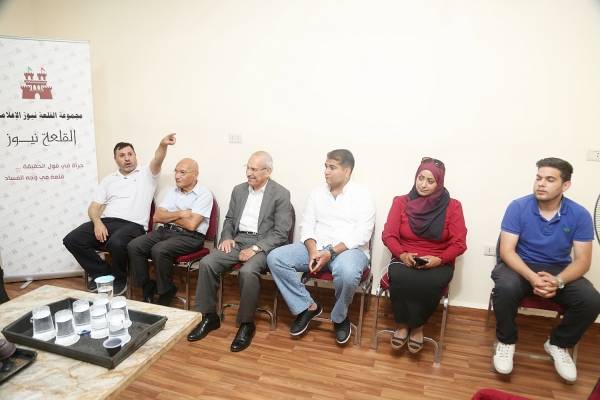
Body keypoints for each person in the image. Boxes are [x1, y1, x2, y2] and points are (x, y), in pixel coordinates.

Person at [492, 157, 600, 383]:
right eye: (539, 178)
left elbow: (583, 261)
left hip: (557, 270)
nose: (541, 184)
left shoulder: (579, 214)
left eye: (550, 179)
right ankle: (506, 341)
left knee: (591, 300)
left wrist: (558, 281)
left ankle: (558, 344)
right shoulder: (518, 207)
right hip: (520, 265)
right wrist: (532, 278)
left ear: (565, 185)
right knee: (505, 287)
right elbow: (507, 251)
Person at [187, 151, 292, 352]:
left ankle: (246, 324)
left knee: (248, 271)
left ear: (268, 171)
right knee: (207, 263)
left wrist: (255, 248)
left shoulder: (281, 193)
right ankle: (209, 316)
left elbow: (281, 232)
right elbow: (229, 220)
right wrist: (227, 237)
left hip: (263, 244)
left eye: (254, 169)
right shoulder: (239, 190)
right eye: (248, 168)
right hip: (238, 239)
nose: (249, 173)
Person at [267, 149, 375, 345]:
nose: (326, 171)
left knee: (348, 272)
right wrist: (313, 251)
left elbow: (362, 234)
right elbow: (307, 226)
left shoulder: (363, 195)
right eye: (325, 166)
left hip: (348, 251)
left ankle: (340, 317)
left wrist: (330, 252)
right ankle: (307, 306)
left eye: (332, 167)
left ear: (347, 171)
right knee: (275, 258)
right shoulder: (317, 193)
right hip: (316, 247)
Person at [63, 134, 176, 296]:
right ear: (116, 159)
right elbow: (94, 207)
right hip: (108, 222)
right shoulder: (109, 180)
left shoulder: (147, 174)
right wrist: (97, 222)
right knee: (72, 239)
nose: (127, 158)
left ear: (135, 156)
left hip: (134, 225)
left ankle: (119, 279)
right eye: (122, 155)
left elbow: (158, 159)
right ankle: (103, 274)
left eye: (130, 154)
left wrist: (162, 145)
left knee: (116, 242)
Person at [381, 157, 467, 353]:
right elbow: (389, 235)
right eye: (420, 178)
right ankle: (402, 325)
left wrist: (439, 259)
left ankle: (417, 327)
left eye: (430, 181)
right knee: (401, 276)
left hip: (439, 261)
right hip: (404, 257)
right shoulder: (400, 202)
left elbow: (459, 243)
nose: (423, 184)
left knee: (428, 281)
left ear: (439, 183)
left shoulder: (453, 206)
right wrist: (402, 255)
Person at [127, 158, 213, 306]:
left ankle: (166, 290)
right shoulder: (172, 191)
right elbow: (157, 217)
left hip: (190, 237)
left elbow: (192, 225)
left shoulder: (204, 194)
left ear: (195, 174)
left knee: (159, 249)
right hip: (165, 231)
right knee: (134, 245)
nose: (177, 176)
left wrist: (169, 217)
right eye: (176, 171)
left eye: (182, 172)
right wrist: (181, 214)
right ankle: (147, 286)